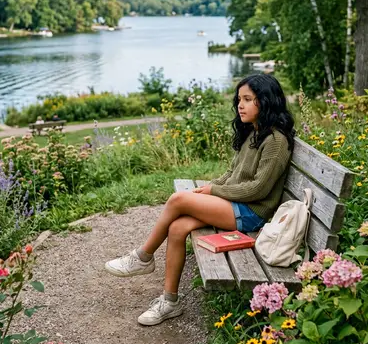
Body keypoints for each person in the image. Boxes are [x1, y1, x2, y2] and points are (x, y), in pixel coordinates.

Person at [104, 74, 296, 326]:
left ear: (267, 101)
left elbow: (258, 190)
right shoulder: (254, 133)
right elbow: (232, 173)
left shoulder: (275, 141)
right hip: (237, 206)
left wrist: (213, 192)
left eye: (248, 99)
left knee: (177, 200)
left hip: (252, 213)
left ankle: (143, 257)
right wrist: (211, 186)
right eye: (239, 99)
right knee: (177, 227)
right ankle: (169, 302)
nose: (240, 105)